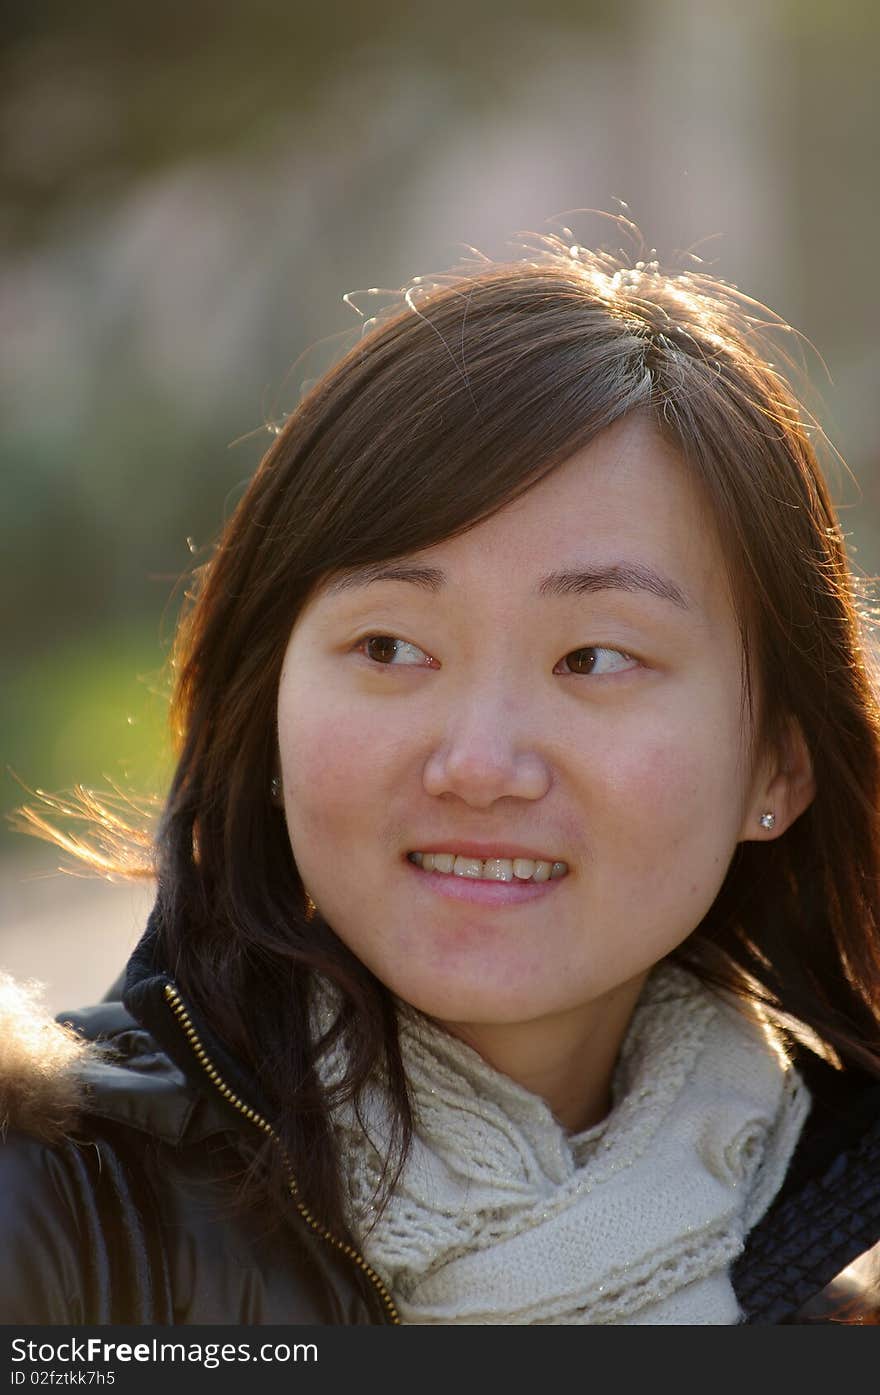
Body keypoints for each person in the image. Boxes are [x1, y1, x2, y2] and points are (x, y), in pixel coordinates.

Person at [2, 230, 880, 1326]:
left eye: (594, 658)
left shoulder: (825, 1296)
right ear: (263, 711)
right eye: (390, 649)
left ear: (779, 764)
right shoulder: (48, 1219)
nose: (479, 764)